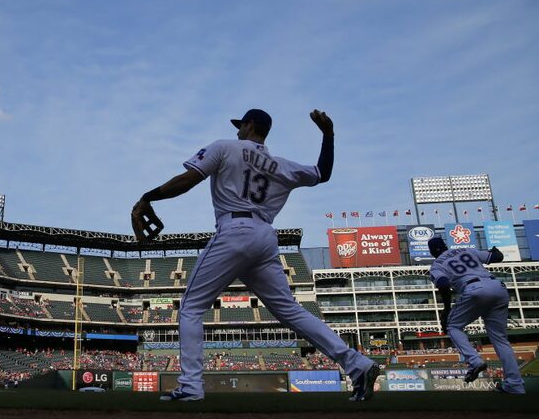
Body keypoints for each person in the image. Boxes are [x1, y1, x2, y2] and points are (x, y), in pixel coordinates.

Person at [132, 108, 379, 402]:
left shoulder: (225, 146)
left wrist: (148, 196)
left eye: (241, 125)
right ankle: (357, 363)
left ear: (250, 126)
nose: (238, 130)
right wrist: (328, 135)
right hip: (265, 236)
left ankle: (190, 386)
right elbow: (322, 173)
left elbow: (189, 179)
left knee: (191, 306)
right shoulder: (280, 164)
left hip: (234, 229)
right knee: (290, 311)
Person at [427, 237, 525, 394]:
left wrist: (446, 309)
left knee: (453, 326)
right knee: (500, 339)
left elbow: (444, 284)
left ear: (431, 252)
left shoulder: (436, 265)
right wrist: (494, 249)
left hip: (473, 289)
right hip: (497, 287)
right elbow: (497, 257)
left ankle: (474, 361)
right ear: (446, 245)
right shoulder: (466, 250)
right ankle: (515, 385)